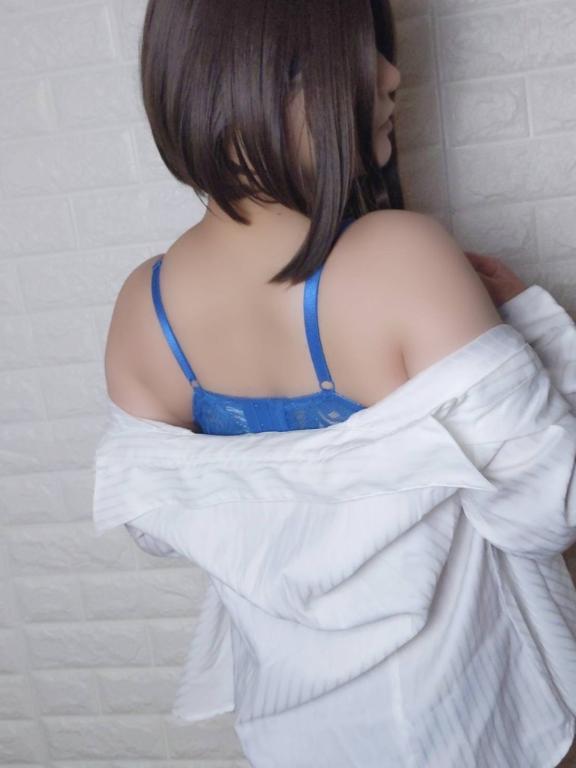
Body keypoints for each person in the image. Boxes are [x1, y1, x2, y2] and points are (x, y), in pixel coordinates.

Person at [93, 1, 576, 766]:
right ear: (258, 78)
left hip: (294, 738)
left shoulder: (142, 310)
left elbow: (159, 526)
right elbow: (547, 509)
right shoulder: (401, 255)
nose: (390, 74)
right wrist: (538, 329)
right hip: (477, 723)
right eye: (353, 50)